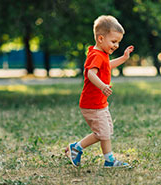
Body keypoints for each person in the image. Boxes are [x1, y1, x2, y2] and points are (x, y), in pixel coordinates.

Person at [66, 15, 134, 168]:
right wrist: (102, 85)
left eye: (118, 42)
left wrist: (123, 58)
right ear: (101, 39)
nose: (116, 45)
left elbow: (107, 65)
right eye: (114, 41)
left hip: (99, 103)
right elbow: (91, 74)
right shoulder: (96, 55)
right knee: (102, 133)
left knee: (106, 131)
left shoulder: (101, 55)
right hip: (92, 104)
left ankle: (81, 149)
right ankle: (82, 150)